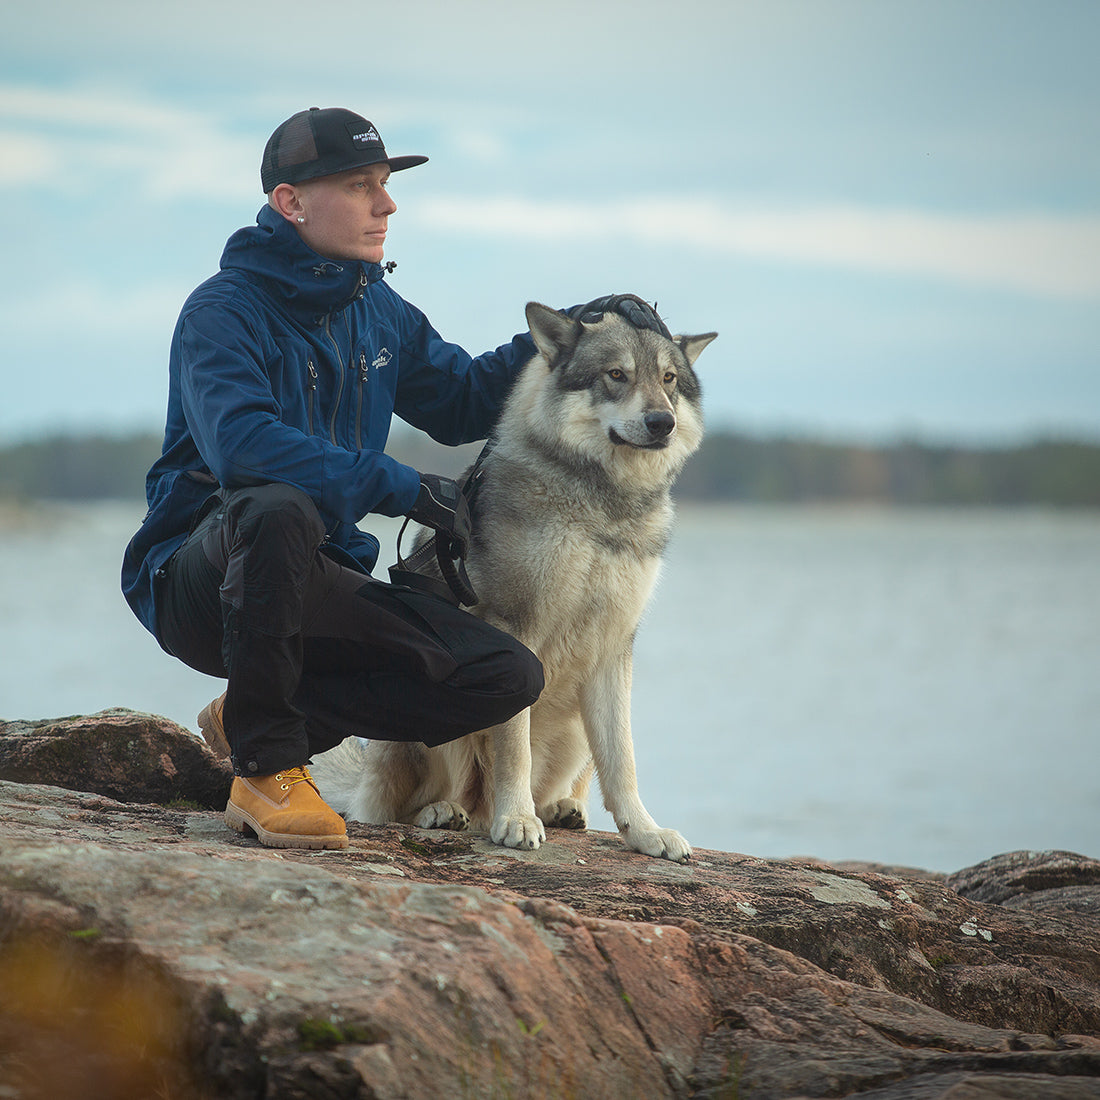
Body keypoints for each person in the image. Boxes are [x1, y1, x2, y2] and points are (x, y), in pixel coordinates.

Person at [121, 107, 547, 851]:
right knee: (277, 507)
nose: (386, 205)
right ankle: (267, 770)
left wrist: (571, 332)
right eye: (359, 185)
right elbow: (244, 448)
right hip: (202, 577)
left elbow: (463, 401)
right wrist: (396, 483)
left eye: (384, 184)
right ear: (291, 202)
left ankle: (258, 708)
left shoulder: (375, 309)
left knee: (507, 674)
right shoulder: (220, 312)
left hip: (317, 580)